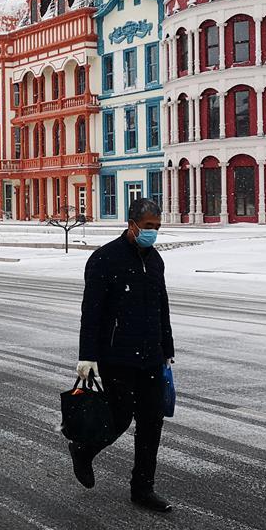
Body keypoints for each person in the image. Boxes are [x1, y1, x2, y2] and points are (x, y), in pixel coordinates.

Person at [71, 198, 175, 512]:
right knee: (117, 419)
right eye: (147, 228)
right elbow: (91, 312)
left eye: (157, 228)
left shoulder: (155, 261)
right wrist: (87, 356)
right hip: (116, 356)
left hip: (151, 357)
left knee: (151, 423)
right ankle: (84, 450)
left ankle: (142, 488)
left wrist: (167, 349)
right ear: (131, 224)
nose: (152, 233)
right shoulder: (105, 259)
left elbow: (162, 307)